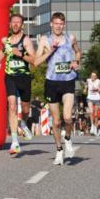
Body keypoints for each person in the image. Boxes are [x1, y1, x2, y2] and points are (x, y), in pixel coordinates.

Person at [34, 12, 81, 165]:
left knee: (67, 117)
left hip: (68, 81)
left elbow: (78, 52)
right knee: (56, 122)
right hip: (52, 82)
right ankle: (59, 149)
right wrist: (50, 51)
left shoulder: (70, 38)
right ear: (51, 24)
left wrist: (76, 62)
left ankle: (67, 138)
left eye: (61, 24)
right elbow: (36, 62)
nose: (58, 26)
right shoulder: (44, 39)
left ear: (64, 25)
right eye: (56, 23)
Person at [0, 13, 37, 154]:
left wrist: (20, 54)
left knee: (25, 109)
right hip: (10, 76)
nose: (15, 24)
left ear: (22, 25)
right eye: (13, 22)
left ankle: (23, 123)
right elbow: (2, 51)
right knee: (12, 106)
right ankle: (15, 142)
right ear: (10, 24)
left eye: (18, 22)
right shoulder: (6, 41)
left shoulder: (26, 40)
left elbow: (34, 60)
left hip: (24, 77)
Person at [85, 71, 100, 137]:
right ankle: (92, 126)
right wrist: (85, 89)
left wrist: (97, 90)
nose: (93, 77)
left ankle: (95, 127)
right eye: (92, 75)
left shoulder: (99, 81)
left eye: (94, 76)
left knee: (95, 114)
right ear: (90, 76)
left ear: (96, 77)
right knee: (91, 112)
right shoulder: (88, 80)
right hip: (89, 98)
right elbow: (86, 87)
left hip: (97, 98)